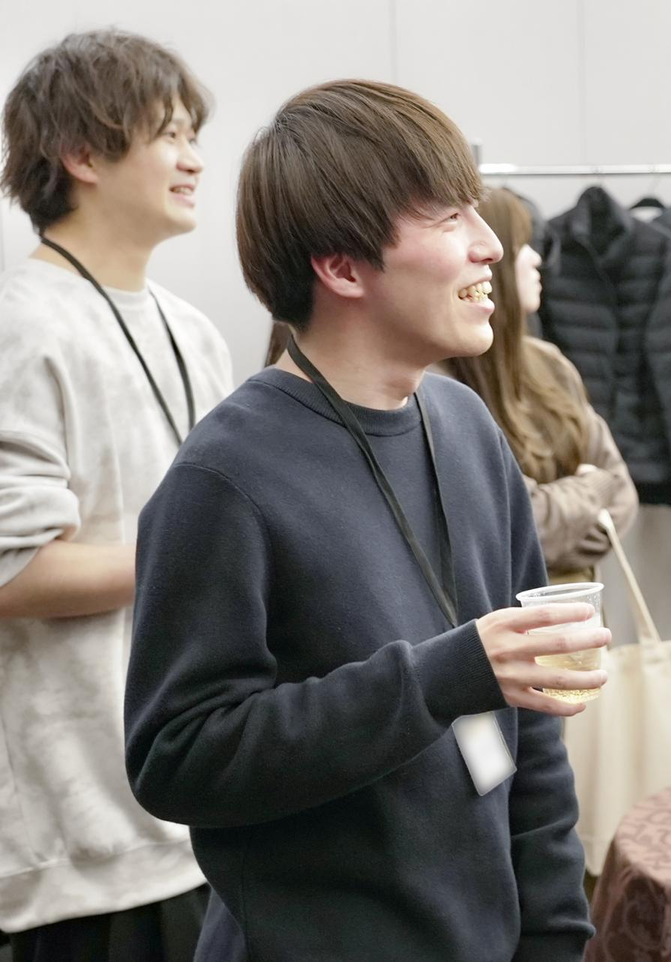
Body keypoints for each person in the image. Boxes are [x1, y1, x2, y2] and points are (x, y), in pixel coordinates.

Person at [123, 80, 599, 961]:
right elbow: (177, 757)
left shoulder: (466, 426)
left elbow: (532, 730)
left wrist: (555, 936)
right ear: (342, 268)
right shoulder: (223, 478)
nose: (490, 244)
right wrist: (440, 680)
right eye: (448, 217)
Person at [0, 30, 233, 961]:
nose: (194, 159)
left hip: (203, 808)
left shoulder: (194, 330)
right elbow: (15, 573)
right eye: (170, 135)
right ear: (82, 156)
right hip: (83, 843)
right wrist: (207, 554)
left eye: (193, 136)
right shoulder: (21, 326)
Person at [263, 187, 639, 583]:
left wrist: (548, 526)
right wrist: (592, 489)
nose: (525, 257)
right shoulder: (432, 395)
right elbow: (512, 529)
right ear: (343, 269)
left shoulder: (545, 368)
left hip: (572, 610)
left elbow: (616, 492)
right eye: (451, 221)